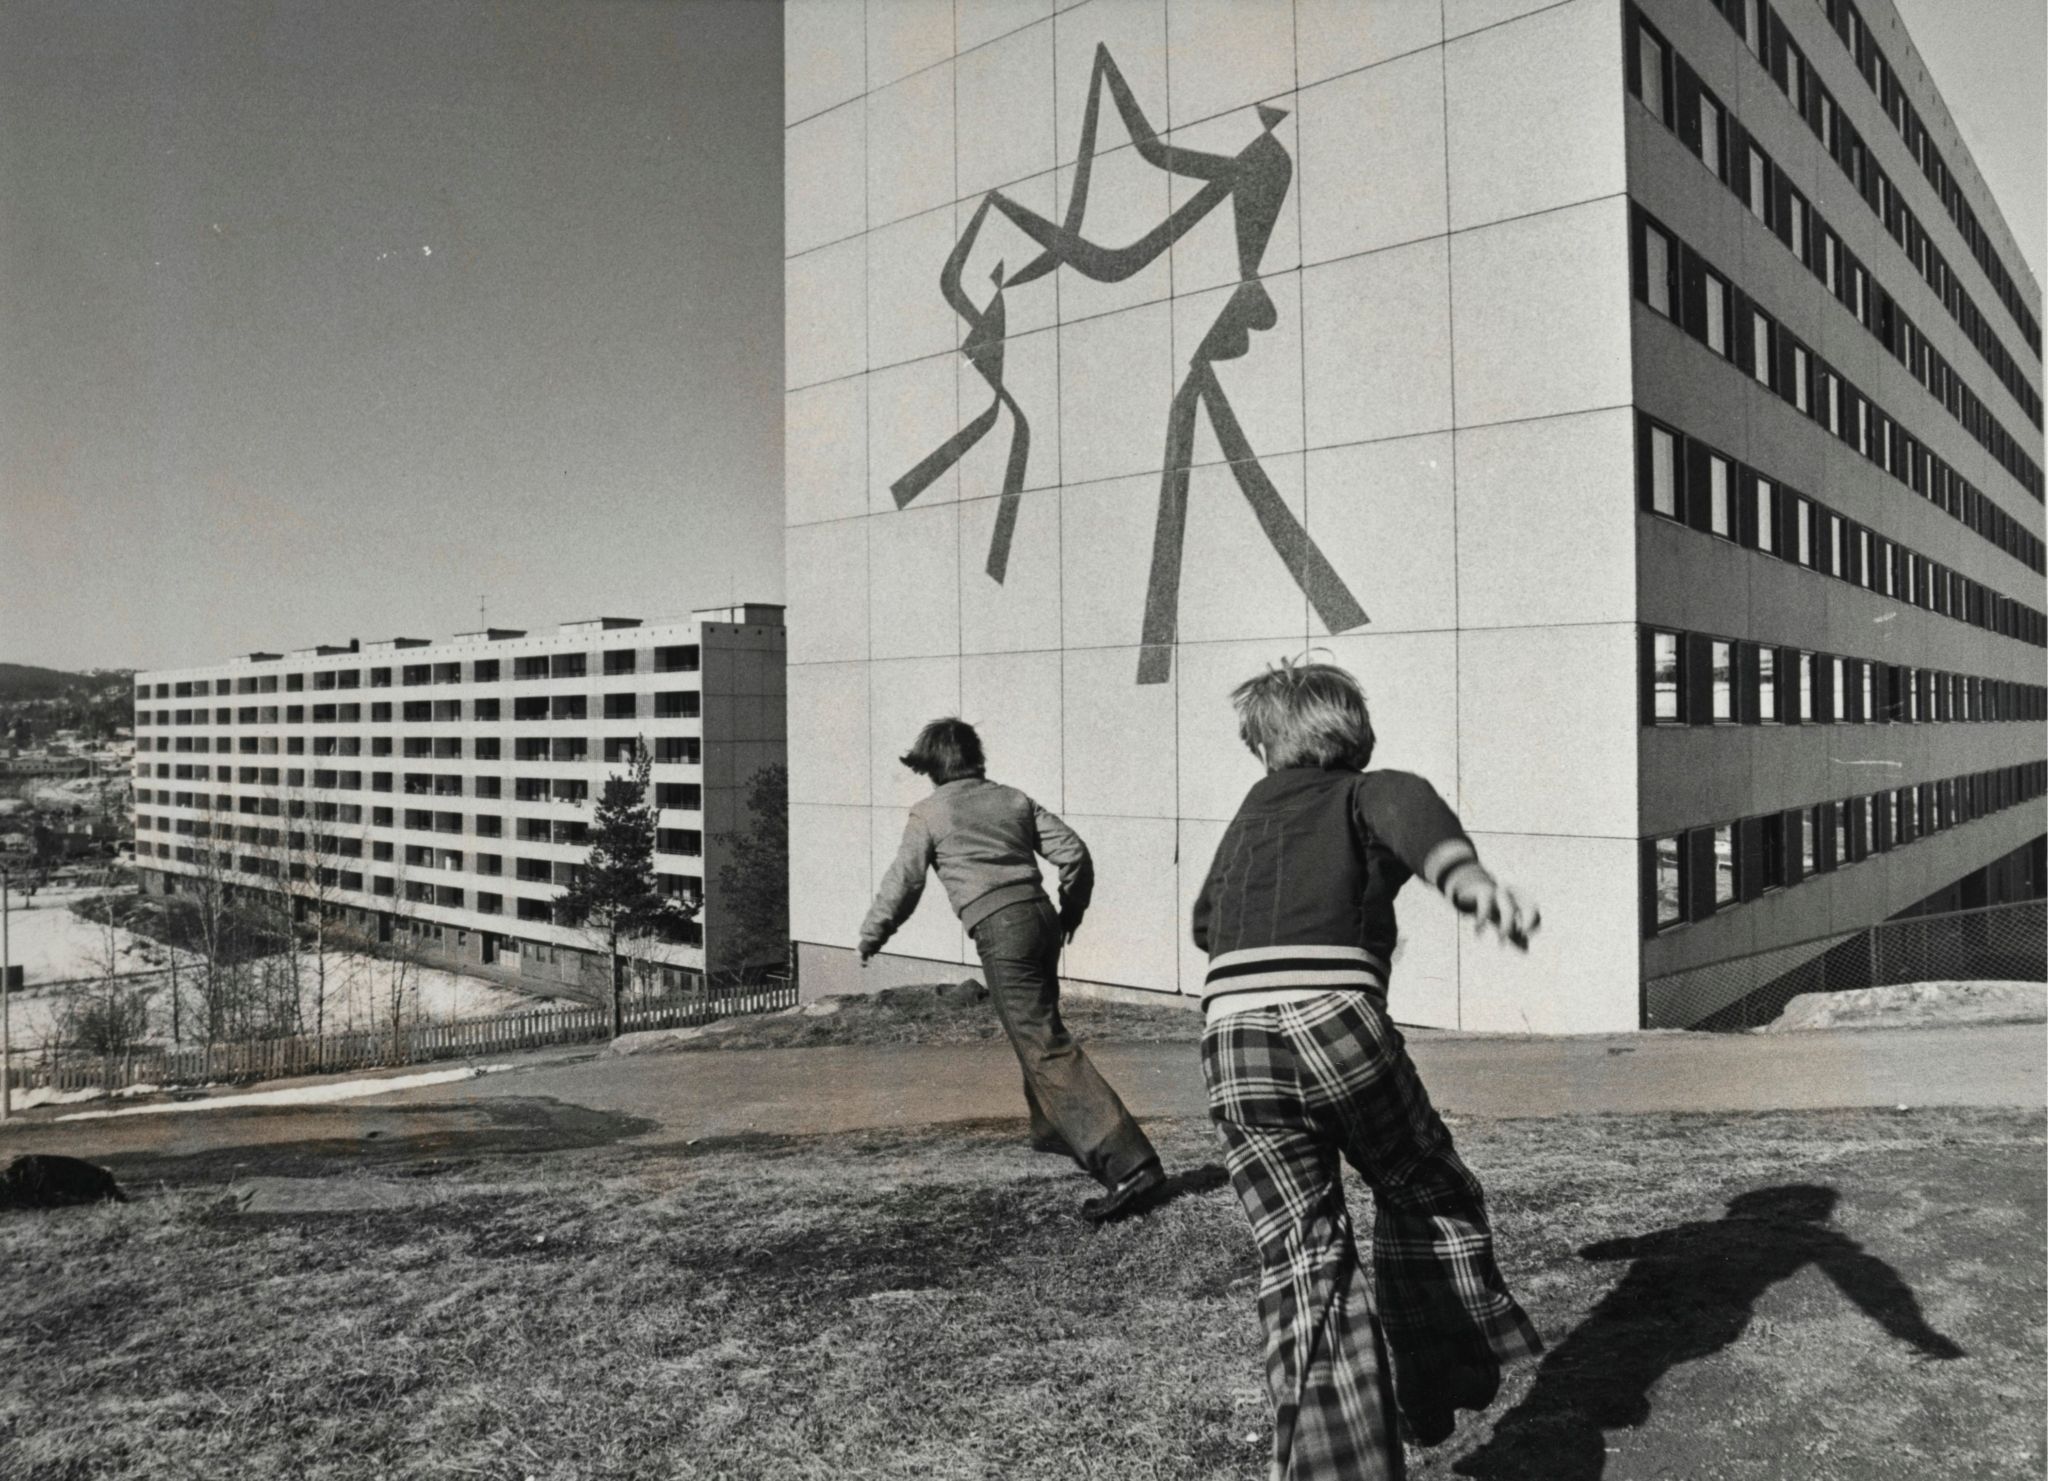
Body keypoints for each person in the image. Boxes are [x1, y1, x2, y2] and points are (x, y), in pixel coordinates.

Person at [1192, 659, 1544, 1479]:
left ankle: (1338, 1465)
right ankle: (1437, 1371)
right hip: (1334, 1022)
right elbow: (1406, 812)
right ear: (1354, 729)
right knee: (1424, 1182)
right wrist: (1471, 884)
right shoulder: (1366, 788)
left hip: (1232, 1040)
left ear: (1267, 745)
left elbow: (1207, 919)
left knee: (1301, 1254)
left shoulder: (1252, 814)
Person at [858, 717, 1167, 1223]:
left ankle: (1132, 1165)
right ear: (976, 755)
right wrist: (1070, 912)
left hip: (1001, 930)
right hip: (1041, 918)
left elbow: (904, 883)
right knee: (1039, 1036)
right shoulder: (1014, 799)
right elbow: (1074, 854)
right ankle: (1061, 1135)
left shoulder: (930, 812)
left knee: (1043, 1044)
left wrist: (874, 934)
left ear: (932, 767)